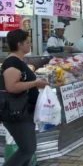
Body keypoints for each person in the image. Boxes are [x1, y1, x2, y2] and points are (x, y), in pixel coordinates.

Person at [0, 29, 48, 166]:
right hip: (17, 113)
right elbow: (12, 87)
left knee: (28, 148)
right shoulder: (12, 63)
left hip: (26, 111)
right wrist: (35, 83)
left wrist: (36, 85)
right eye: (28, 42)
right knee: (27, 149)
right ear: (19, 44)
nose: (30, 44)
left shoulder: (20, 61)